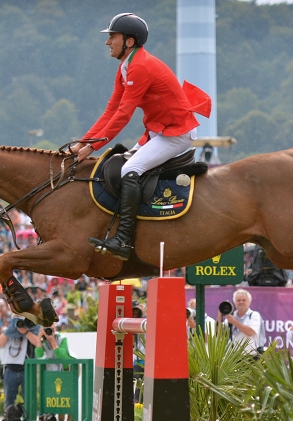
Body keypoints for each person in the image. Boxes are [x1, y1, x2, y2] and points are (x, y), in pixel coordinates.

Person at [69, 12, 211, 261]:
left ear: (129, 42)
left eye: (112, 36)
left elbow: (123, 116)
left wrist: (93, 148)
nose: (107, 41)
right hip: (159, 131)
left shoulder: (140, 67)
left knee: (129, 171)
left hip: (176, 133)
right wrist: (83, 142)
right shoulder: (126, 66)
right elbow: (110, 111)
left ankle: (124, 240)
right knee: (123, 166)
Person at [0, 318, 41, 419]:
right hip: (10, 369)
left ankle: (29, 420)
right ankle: (8, 420)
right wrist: (10, 329)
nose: (20, 325)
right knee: (9, 399)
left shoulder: (31, 331)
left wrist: (26, 332)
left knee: (29, 399)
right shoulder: (10, 332)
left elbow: (37, 343)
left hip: (26, 369)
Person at [218, 289, 264, 353]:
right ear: (235, 302)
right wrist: (220, 314)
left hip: (250, 356)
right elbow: (220, 334)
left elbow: (250, 332)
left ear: (249, 302)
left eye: (244, 300)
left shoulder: (254, 315)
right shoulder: (232, 315)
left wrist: (234, 322)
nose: (241, 302)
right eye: (238, 300)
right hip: (233, 356)